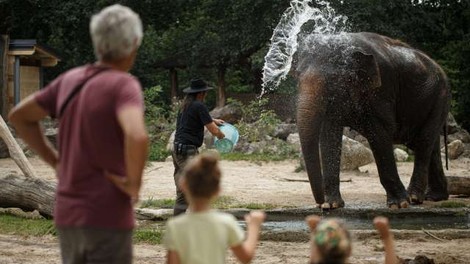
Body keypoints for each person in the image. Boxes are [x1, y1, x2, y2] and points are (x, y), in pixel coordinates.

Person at [8, 4, 148, 264]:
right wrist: (133, 184)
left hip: (69, 212)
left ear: (97, 41)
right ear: (134, 42)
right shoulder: (123, 84)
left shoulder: (70, 80)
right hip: (108, 214)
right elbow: (137, 135)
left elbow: (20, 117)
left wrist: (55, 161)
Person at [163, 152, 266, 264]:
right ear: (218, 191)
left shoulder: (175, 226)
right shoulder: (226, 222)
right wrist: (254, 226)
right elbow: (246, 257)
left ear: (183, 185)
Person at [172, 78, 225, 215]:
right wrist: (221, 136)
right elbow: (213, 131)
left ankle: (182, 219)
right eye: (205, 93)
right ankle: (181, 223)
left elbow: (200, 117)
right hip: (187, 151)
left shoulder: (186, 105)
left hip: (177, 151)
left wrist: (214, 120)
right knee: (190, 188)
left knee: (182, 187)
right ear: (201, 94)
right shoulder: (199, 106)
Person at [306, 215, 398, 264]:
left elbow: (315, 255)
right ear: (349, 250)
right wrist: (386, 237)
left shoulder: (316, 254)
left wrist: (315, 232)